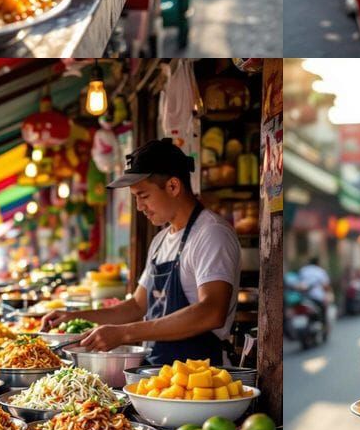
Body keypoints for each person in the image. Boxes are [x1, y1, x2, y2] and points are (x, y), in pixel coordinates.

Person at [41, 139, 241, 364]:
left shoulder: (211, 234)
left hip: (203, 378)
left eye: (143, 196)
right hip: (159, 373)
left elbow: (212, 312)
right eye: (135, 198)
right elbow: (137, 306)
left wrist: (125, 333)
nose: (139, 207)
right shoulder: (160, 241)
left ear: (173, 186)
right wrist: (75, 317)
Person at [297, 256, 331, 322]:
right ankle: (323, 324)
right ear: (318, 263)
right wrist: (327, 295)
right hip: (317, 297)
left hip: (303, 297)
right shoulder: (320, 271)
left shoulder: (303, 270)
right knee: (323, 309)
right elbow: (326, 286)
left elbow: (298, 283)